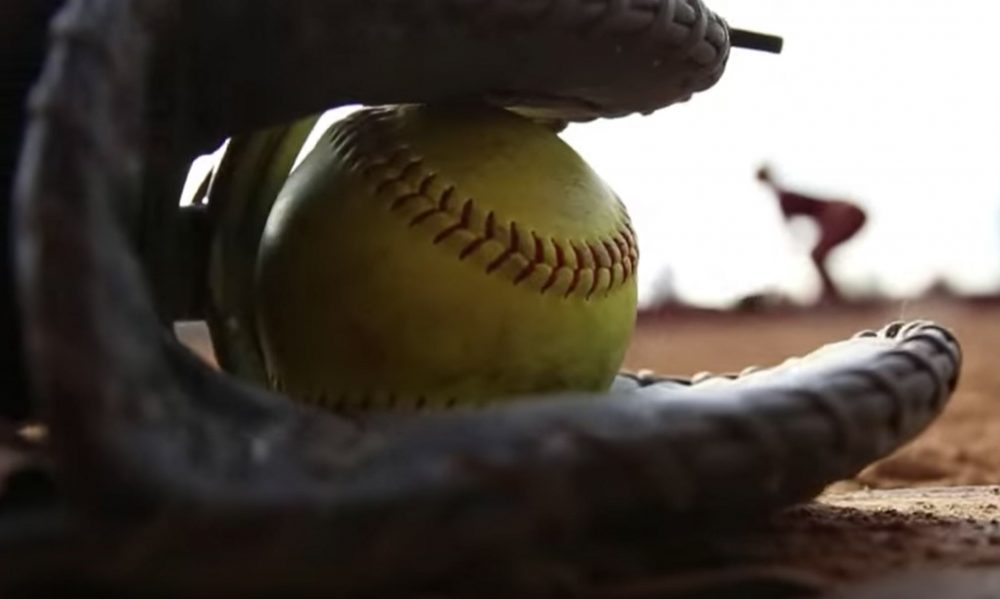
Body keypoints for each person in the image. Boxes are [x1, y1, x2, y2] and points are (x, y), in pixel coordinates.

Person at [757, 165, 867, 303]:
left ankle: (832, 298)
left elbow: (793, 229)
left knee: (817, 255)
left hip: (842, 213)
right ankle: (832, 296)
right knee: (818, 255)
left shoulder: (784, 197)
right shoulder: (785, 195)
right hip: (848, 210)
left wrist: (795, 244)